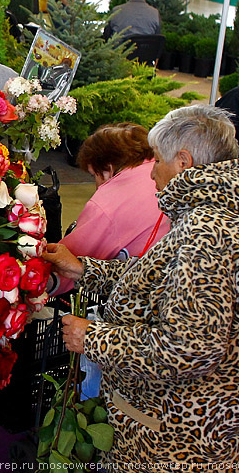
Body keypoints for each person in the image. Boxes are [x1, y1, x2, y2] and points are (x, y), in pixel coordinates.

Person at [44, 105, 239, 463]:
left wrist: (94, 337)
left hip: (174, 441)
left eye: (158, 161)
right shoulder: (207, 213)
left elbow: (188, 350)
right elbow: (158, 279)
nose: (151, 176)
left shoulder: (206, 231)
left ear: (183, 162)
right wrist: (83, 269)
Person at [51, 123, 169, 295]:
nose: (97, 185)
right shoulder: (162, 173)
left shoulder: (109, 202)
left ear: (107, 168)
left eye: (94, 175)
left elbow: (64, 265)